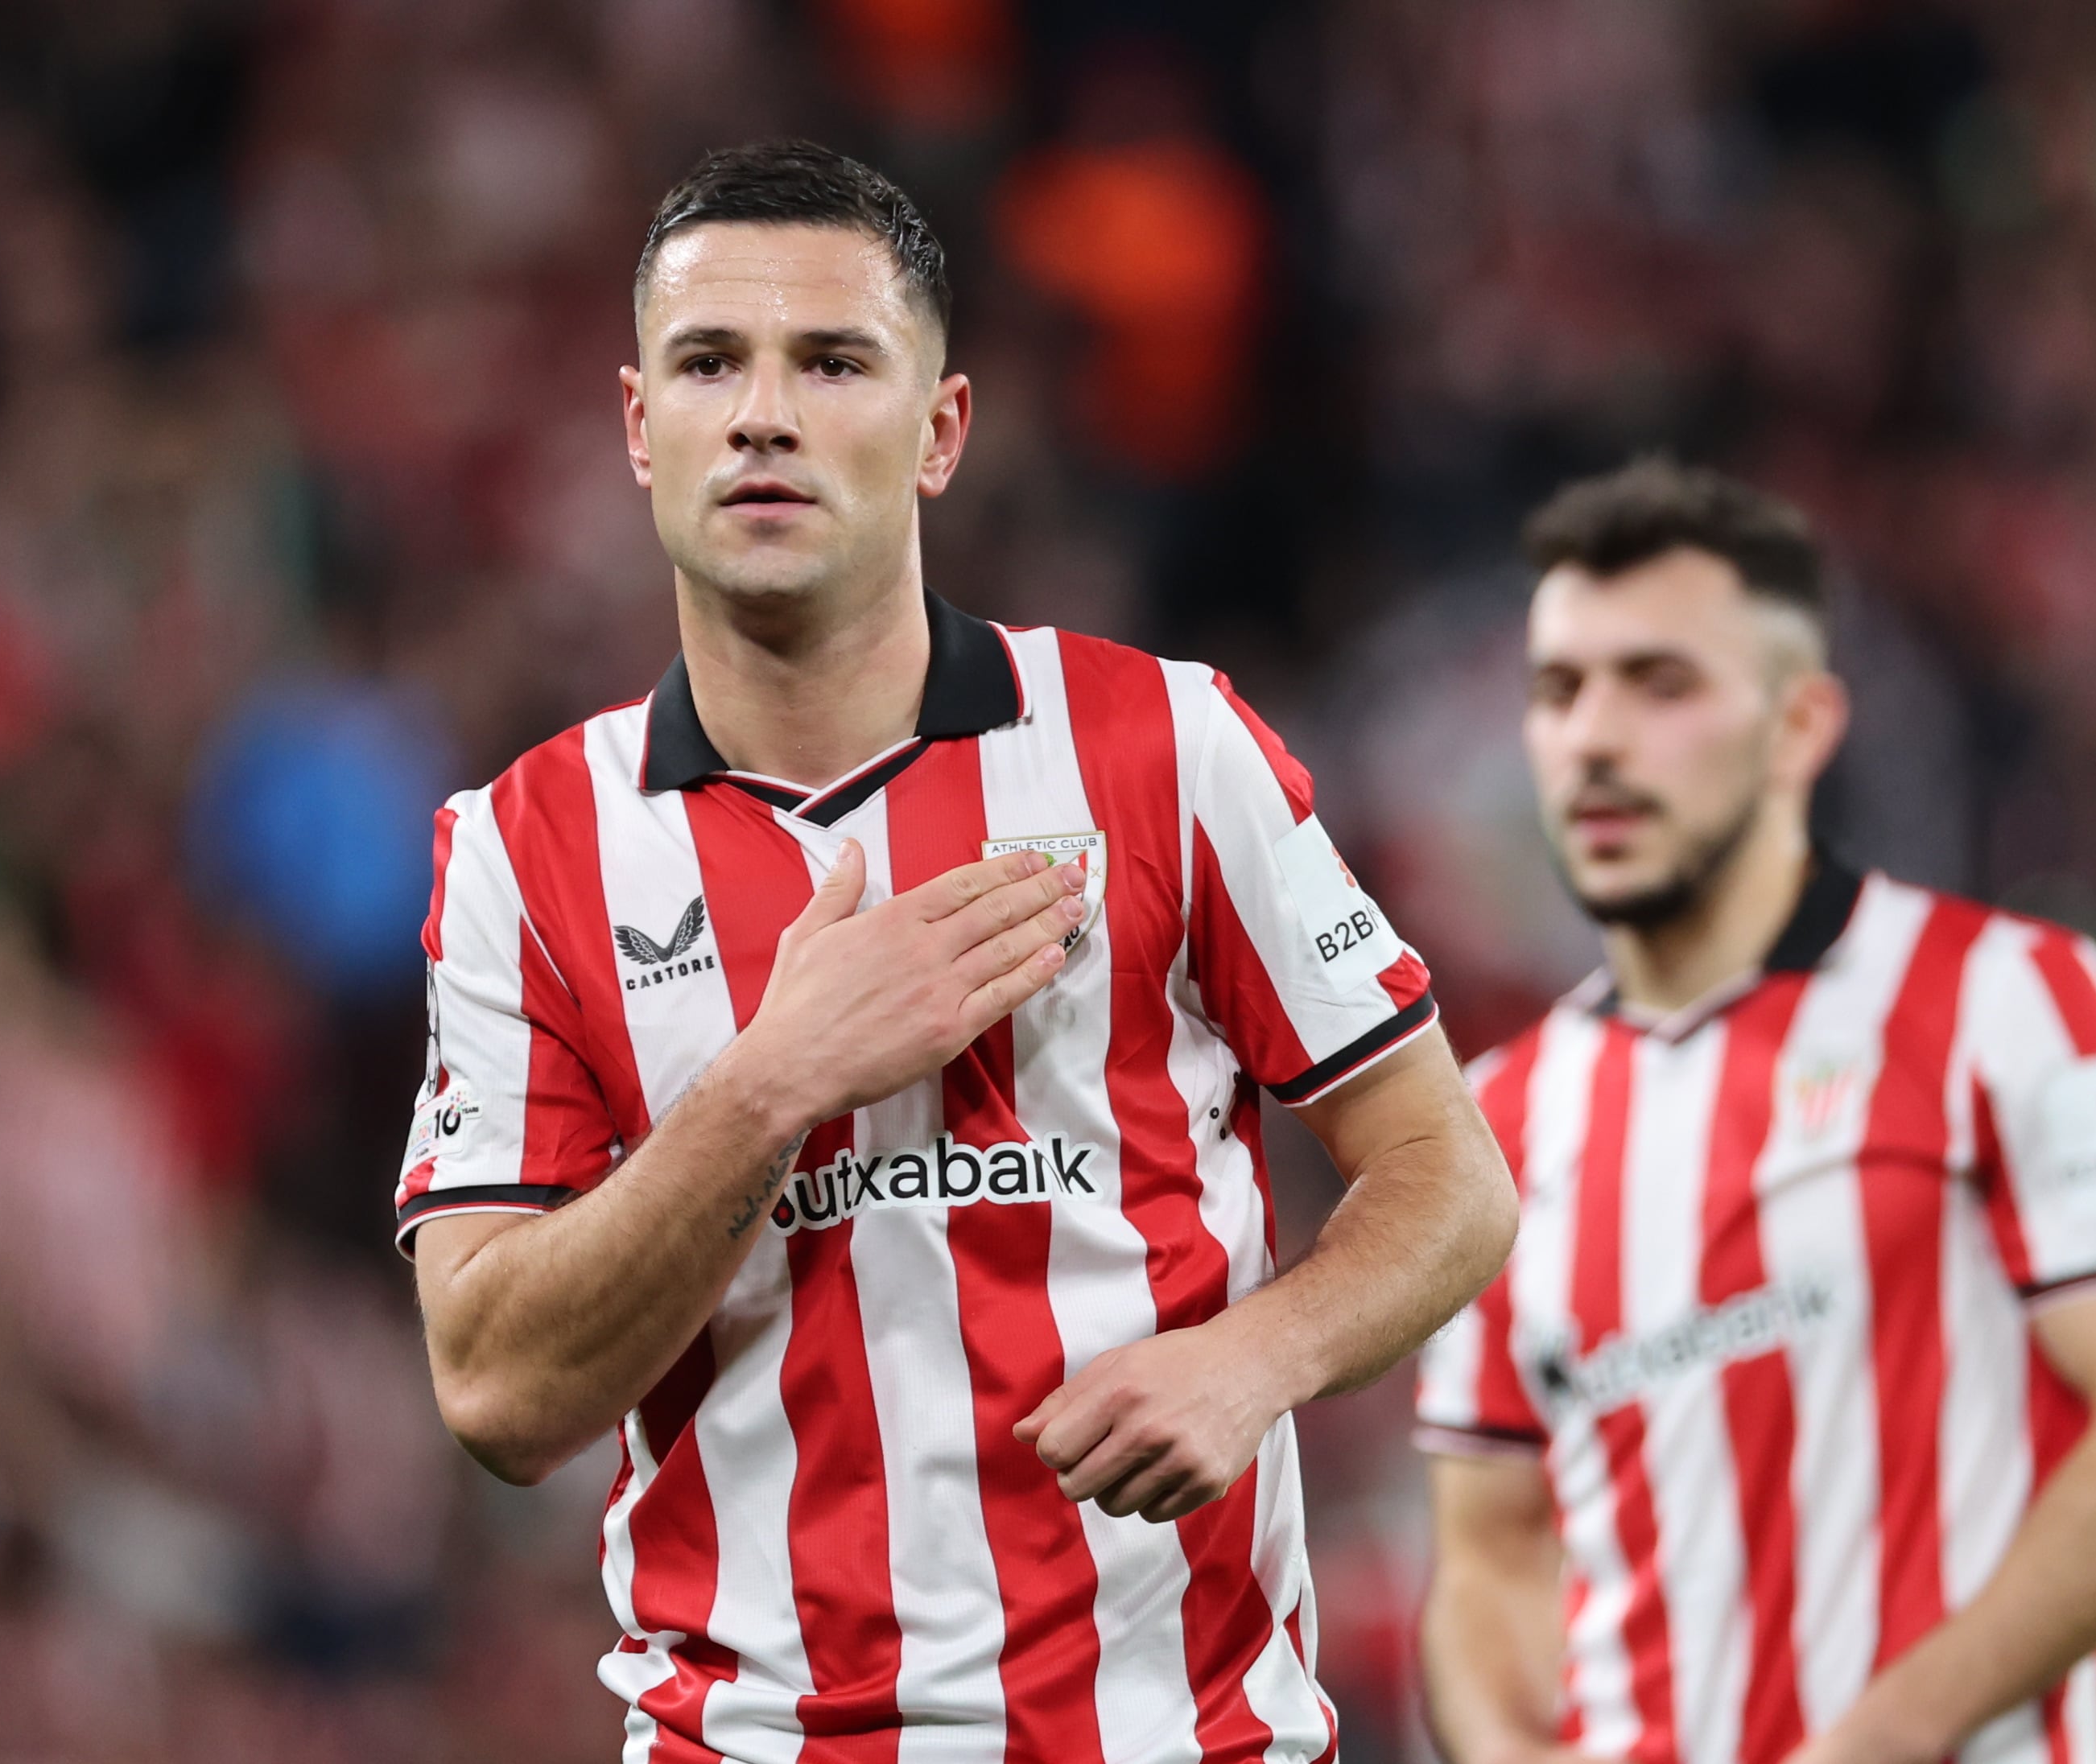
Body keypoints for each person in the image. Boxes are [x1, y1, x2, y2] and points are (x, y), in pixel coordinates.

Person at [395, 139, 1516, 1762]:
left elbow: (1448, 1178)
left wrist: (1251, 1361)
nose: (762, 411)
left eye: (831, 361)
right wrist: (769, 1080)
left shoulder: (1163, 744)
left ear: (941, 434)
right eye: (709, 364)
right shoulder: (525, 844)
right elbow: (499, 1392)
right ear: (642, 430)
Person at [1413, 458, 2096, 1764]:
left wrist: (1882, 1735)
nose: (1596, 738)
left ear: (1801, 726)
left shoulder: (2003, 995)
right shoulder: (1497, 1118)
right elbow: (1487, 1555)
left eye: (1662, 683)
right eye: (1560, 691)